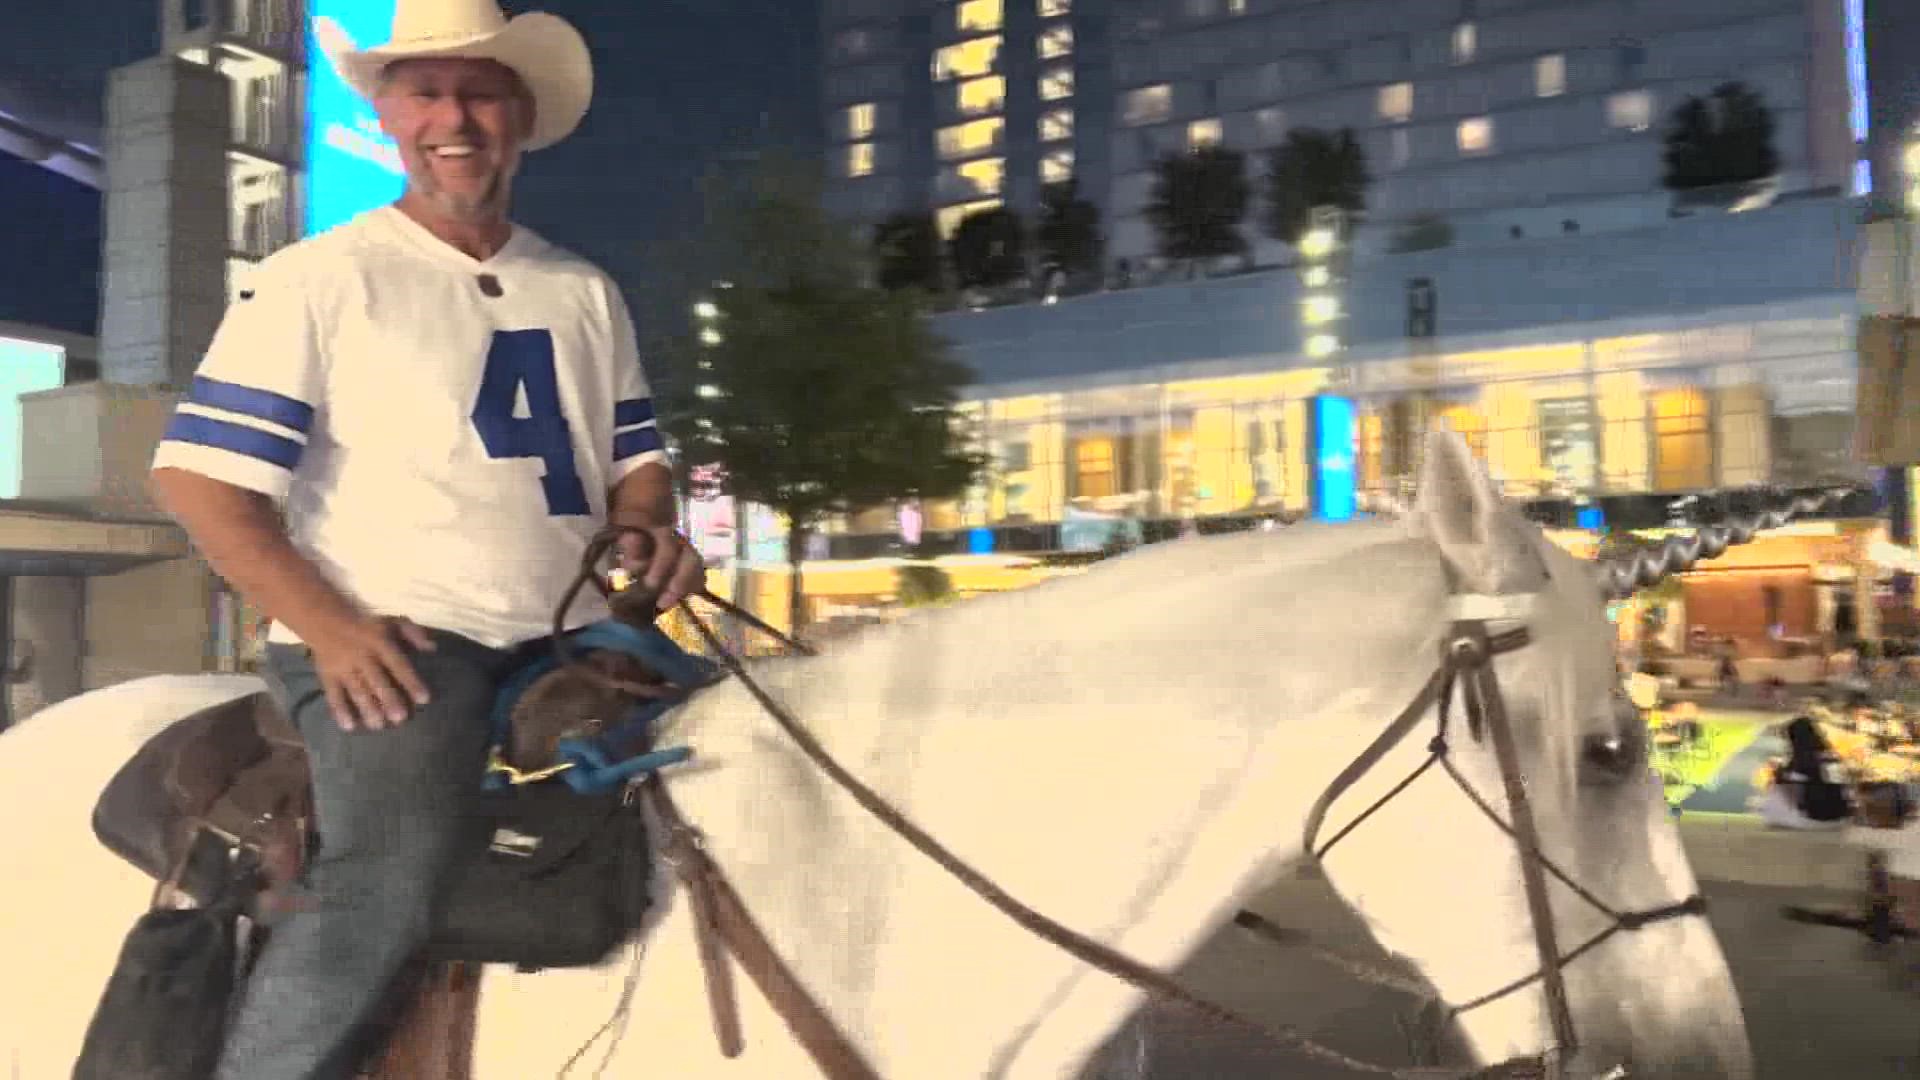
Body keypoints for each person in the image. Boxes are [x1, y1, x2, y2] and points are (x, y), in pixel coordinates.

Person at [146, 1, 704, 1075]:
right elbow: (201, 481)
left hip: (574, 637)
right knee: (381, 881)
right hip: (395, 642)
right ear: (391, 115)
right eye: (427, 91)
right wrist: (333, 630)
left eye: (482, 90)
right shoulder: (323, 275)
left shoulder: (584, 290)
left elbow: (636, 460)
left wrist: (647, 530)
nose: (455, 115)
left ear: (522, 114)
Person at [1759, 717, 1852, 829]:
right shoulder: (1832, 756)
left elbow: (1795, 786)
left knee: (1777, 785)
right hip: (1841, 817)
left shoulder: (1803, 758)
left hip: (1815, 818)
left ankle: (1784, 817)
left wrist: (1779, 774)